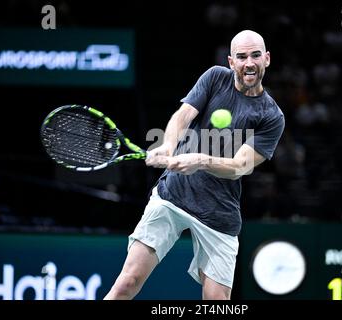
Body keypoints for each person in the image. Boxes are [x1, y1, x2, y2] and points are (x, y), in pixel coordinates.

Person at [104, 30, 285, 300]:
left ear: (267, 59)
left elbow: (240, 166)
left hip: (219, 212)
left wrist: (200, 160)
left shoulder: (271, 115)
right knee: (126, 283)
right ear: (231, 61)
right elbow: (183, 115)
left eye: (256, 55)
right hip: (173, 194)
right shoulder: (214, 77)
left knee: (216, 301)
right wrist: (167, 145)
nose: (249, 63)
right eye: (242, 56)